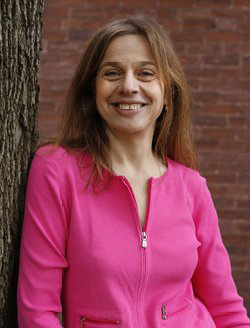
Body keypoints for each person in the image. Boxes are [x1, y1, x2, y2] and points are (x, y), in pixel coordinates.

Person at [17, 15, 250, 327]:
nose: (128, 86)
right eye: (112, 73)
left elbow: (227, 310)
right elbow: (37, 312)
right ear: (92, 90)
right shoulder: (57, 172)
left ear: (167, 93)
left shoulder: (191, 187)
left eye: (146, 73)